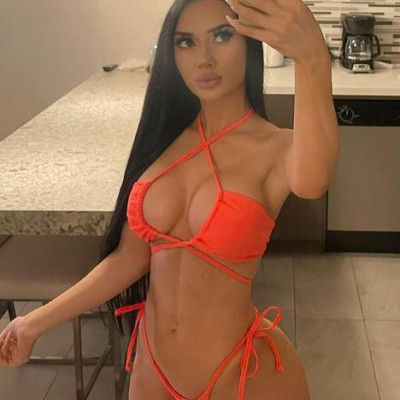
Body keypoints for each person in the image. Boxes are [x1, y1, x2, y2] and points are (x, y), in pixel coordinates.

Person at [1, 0, 339, 398]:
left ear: (250, 42)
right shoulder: (162, 140)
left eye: (222, 36)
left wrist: (311, 56)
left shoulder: (277, 148)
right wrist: (34, 322)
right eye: (186, 42)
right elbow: (129, 259)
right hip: (151, 368)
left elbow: (313, 181)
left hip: (239, 373)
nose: (204, 59)